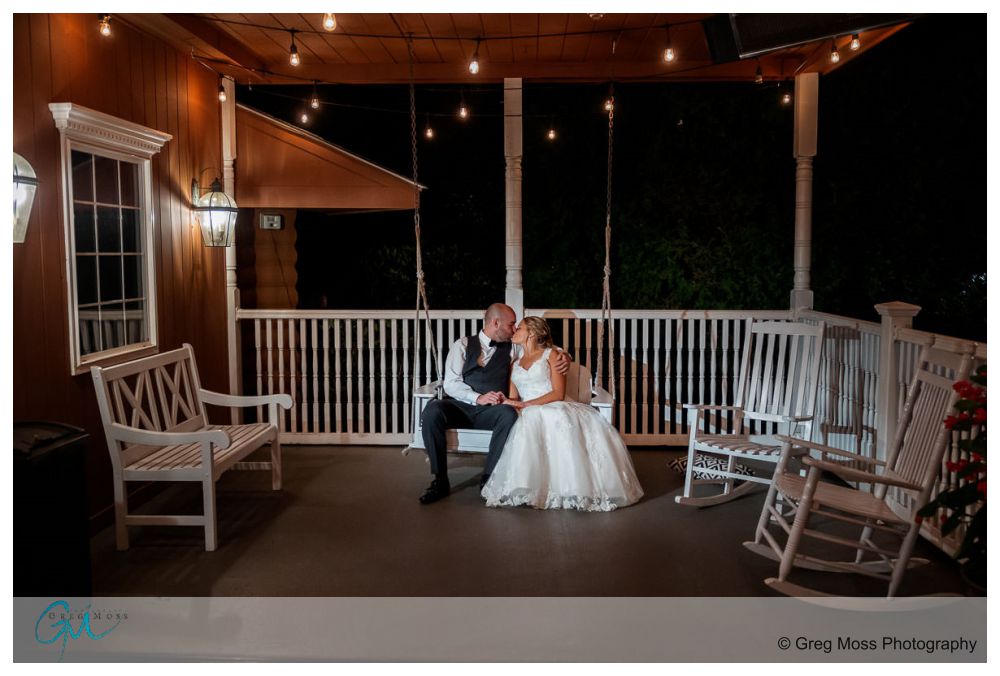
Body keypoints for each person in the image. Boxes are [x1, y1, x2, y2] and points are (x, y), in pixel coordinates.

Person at [481, 316, 644, 511]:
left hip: (554, 404)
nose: (514, 330)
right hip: (528, 409)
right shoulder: (515, 362)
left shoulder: (552, 355)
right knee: (527, 421)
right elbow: (514, 396)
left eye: (520, 328)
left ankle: (569, 487)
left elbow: (558, 393)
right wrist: (507, 401)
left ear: (531, 332)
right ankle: (527, 487)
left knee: (551, 418)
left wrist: (526, 404)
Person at [418, 303, 570, 504]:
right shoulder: (462, 345)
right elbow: (451, 384)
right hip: (461, 406)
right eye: (511, 324)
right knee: (432, 409)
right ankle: (440, 480)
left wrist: (565, 356)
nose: (515, 329)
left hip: (491, 411)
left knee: (507, 415)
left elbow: (542, 350)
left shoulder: (513, 346)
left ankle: (489, 479)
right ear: (496, 323)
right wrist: (477, 397)